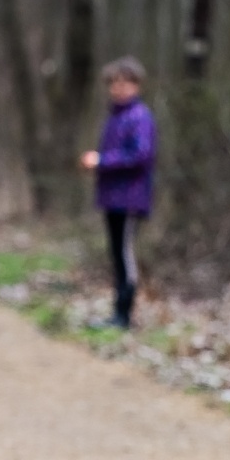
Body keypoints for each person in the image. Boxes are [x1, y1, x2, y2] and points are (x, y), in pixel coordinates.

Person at [80, 57, 156, 328]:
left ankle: (124, 315)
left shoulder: (139, 117)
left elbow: (140, 155)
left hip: (130, 198)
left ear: (137, 85)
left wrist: (102, 161)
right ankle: (117, 313)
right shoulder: (115, 117)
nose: (118, 88)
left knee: (125, 254)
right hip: (112, 197)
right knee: (116, 255)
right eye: (114, 83)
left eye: (124, 83)